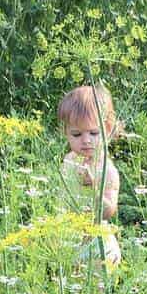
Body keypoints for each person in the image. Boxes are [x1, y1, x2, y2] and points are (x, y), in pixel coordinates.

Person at [57, 84, 122, 267]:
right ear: (65, 132)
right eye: (76, 134)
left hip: (98, 246)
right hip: (70, 240)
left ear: (107, 129)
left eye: (94, 133)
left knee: (96, 291)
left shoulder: (107, 169)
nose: (86, 140)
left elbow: (109, 211)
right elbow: (62, 198)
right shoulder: (68, 160)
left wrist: (95, 187)